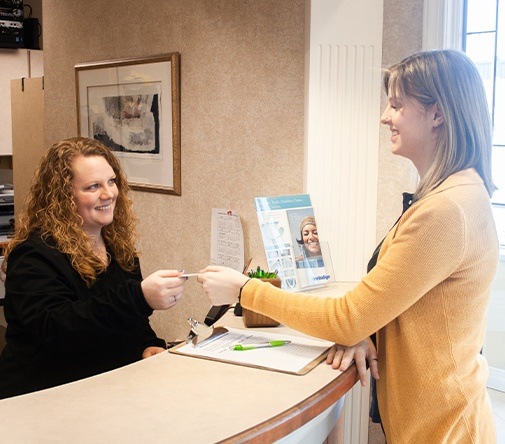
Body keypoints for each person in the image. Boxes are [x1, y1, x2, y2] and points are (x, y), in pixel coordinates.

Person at [197, 49, 499, 442]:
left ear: (437, 114)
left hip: (444, 428)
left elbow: (349, 316)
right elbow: (401, 303)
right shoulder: (459, 194)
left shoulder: (446, 211)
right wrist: (366, 330)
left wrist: (244, 289)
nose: (384, 116)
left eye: (396, 105)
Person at [0, 137, 186, 399]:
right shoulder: (33, 256)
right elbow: (60, 330)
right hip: (43, 397)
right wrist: (139, 297)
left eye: (111, 181)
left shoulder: (119, 248)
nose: (109, 193)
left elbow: (131, 321)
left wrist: (146, 345)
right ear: (64, 197)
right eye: (93, 186)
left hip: (105, 389)